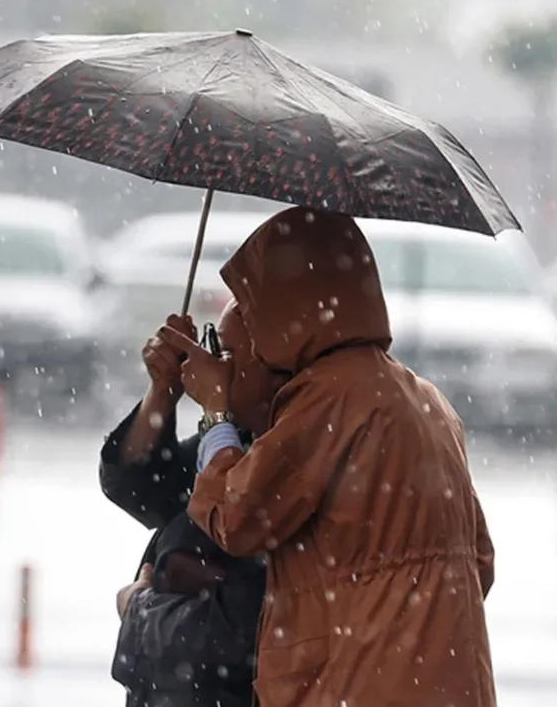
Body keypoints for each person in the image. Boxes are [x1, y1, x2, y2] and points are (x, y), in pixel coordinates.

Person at [162, 206, 496, 707]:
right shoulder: (422, 398)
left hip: (363, 687)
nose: (229, 370)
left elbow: (237, 516)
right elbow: (481, 562)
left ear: (281, 323)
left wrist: (213, 412)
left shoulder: (328, 398)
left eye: (233, 353)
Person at [100, 305, 285, 706]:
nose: (209, 366)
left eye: (224, 353)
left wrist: (139, 612)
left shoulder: (286, 467)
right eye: (209, 347)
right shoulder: (238, 437)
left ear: (276, 370)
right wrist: (162, 392)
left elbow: (232, 638)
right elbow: (138, 487)